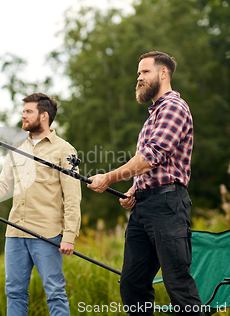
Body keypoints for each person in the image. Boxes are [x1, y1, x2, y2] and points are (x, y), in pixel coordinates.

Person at [87, 51, 203, 315]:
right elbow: (150, 167)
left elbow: (151, 157)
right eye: (138, 73)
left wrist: (108, 178)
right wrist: (133, 189)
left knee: (178, 286)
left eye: (145, 72)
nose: (139, 78)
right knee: (132, 285)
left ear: (163, 73)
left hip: (168, 207)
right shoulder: (153, 115)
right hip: (144, 209)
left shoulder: (173, 107)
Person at [0, 93, 81, 316]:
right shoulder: (17, 148)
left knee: (55, 292)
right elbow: (3, 184)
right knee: (14, 292)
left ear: (43, 116)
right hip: (15, 232)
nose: (22, 115)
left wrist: (69, 235)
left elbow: (72, 197)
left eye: (28, 111)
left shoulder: (65, 150)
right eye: (23, 111)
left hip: (47, 233)